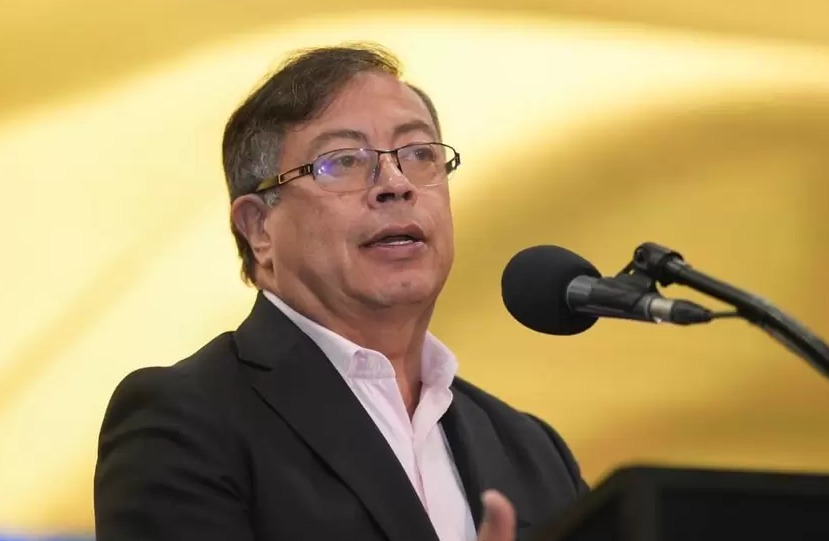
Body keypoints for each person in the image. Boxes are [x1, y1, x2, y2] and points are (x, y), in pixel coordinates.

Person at [93, 43, 589, 541]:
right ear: (259, 228)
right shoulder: (183, 419)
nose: (395, 183)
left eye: (420, 154)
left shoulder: (533, 451)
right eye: (344, 161)